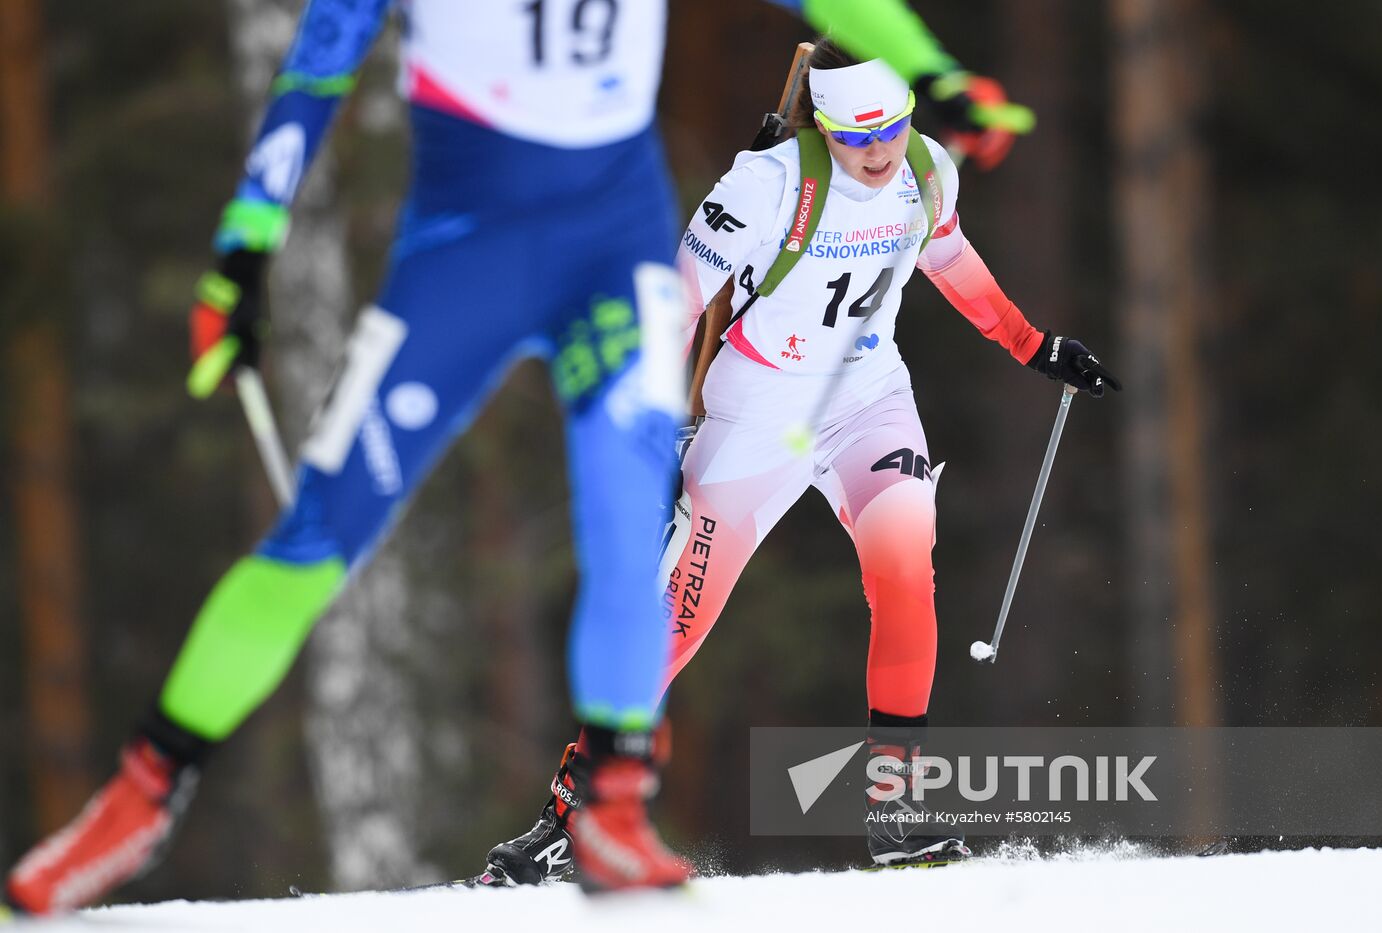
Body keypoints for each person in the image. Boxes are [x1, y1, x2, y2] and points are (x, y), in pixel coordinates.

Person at [1, 1, 1033, 916]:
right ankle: (138, 796)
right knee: (322, 531)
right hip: (465, 255)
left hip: (614, 256)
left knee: (634, 537)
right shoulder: (773, 186)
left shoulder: (903, 173)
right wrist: (245, 242)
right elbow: (318, 66)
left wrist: (937, 79)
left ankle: (613, 810)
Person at [482, 37, 1119, 884]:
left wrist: (1035, 346)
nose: (878, 152)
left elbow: (950, 259)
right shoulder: (767, 185)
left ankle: (898, 811)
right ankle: (573, 815)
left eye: (890, 129)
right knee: (673, 626)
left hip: (866, 399)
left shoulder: (927, 170)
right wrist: (648, 433)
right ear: (823, 127)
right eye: (856, 138)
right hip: (757, 417)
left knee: (904, 563)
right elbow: (678, 304)